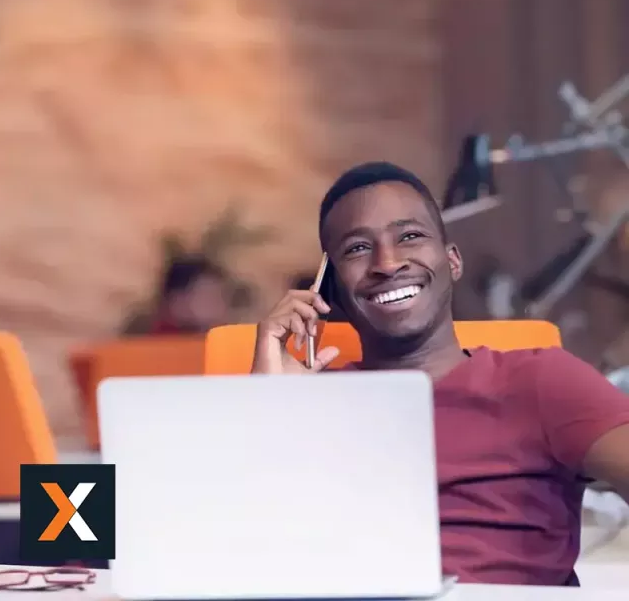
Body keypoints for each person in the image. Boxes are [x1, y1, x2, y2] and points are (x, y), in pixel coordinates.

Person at [251, 161, 629, 586]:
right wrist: (270, 409)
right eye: (357, 248)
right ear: (331, 289)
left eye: (409, 236)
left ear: (452, 261)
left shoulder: (541, 381)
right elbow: (239, 550)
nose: (387, 263)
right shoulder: (308, 402)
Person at [150, 256, 232, 335]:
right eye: (210, 300)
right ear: (177, 301)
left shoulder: (218, 341)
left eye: (222, 298)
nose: (220, 308)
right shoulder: (157, 344)